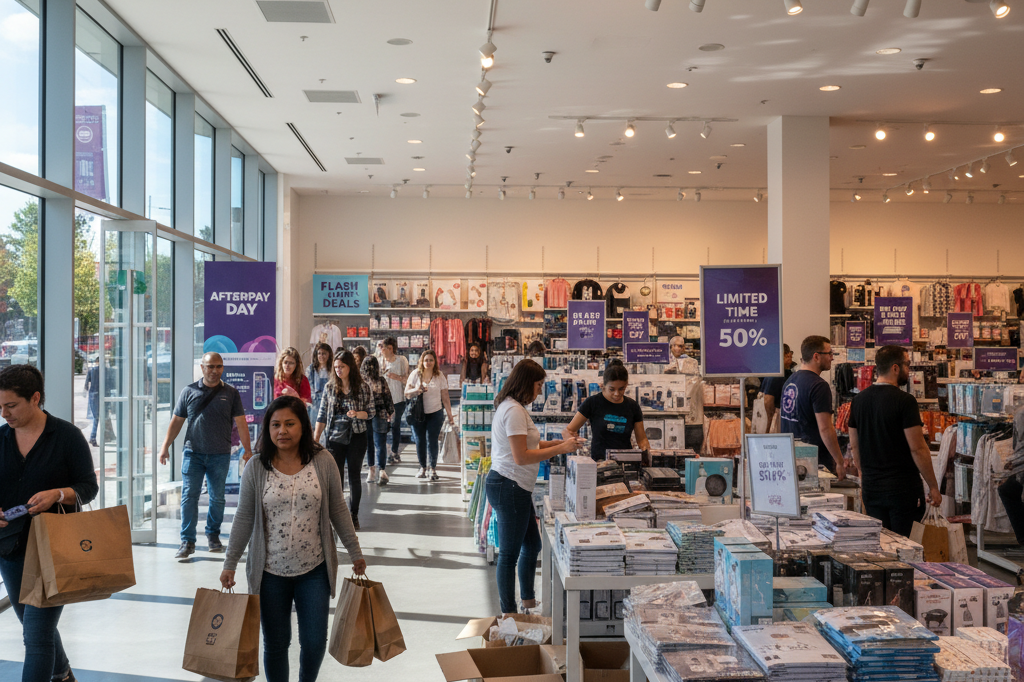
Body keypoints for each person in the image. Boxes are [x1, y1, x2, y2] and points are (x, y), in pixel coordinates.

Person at [220, 396, 365, 682]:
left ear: (303, 426)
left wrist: (355, 551)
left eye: (289, 424)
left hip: (315, 569)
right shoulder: (256, 467)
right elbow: (244, 518)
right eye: (275, 425)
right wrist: (230, 563)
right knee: (276, 643)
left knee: (314, 642)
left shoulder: (322, 461)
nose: (282, 431)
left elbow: (337, 508)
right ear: (267, 429)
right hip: (269, 572)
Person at [0, 365, 99, 682]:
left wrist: (59, 493)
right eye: (0, 406)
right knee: (30, 624)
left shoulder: (67, 437)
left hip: (55, 551)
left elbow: (88, 486)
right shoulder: (1, 438)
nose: (4, 413)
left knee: (37, 637)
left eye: (11, 405)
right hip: (11, 549)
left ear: (35, 398)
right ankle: (63, 673)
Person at [485, 359, 582, 614]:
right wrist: (562, 448)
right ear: (527, 383)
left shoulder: (515, 407)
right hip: (510, 486)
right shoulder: (514, 411)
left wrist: (561, 443)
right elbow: (522, 457)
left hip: (514, 486)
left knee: (532, 545)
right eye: (539, 385)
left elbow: (531, 447)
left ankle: (528, 602)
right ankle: (509, 612)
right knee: (508, 554)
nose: (540, 391)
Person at [159, 352, 252, 559]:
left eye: (218, 366)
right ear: (202, 368)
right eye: (210, 366)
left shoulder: (231, 393)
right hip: (193, 454)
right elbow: (176, 421)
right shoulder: (189, 391)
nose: (215, 370)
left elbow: (241, 423)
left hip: (219, 454)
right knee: (189, 496)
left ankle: (213, 535)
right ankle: (187, 541)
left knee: (217, 498)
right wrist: (165, 446)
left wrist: (248, 450)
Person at [848, 345, 941, 536]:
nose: (909, 370)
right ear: (895, 368)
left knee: (880, 546)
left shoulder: (859, 400)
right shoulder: (904, 401)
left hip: (872, 489)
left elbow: (854, 446)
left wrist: (864, 475)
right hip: (902, 490)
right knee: (905, 546)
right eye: (907, 365)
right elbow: (918, 449)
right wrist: (932, 485)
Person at [314, 351, 375, 529]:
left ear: (350, 367)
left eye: (342, 367)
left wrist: (357, 414)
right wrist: (316, 438)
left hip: (357, 435)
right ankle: (338, 516)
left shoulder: (363, 387)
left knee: (354, 475)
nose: (339, 370)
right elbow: (322, 414)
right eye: (336, 367)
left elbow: (371, 412)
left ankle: (353, 514)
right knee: (336, 478)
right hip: (334, 437)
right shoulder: (330, 387)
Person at [780, 336, 845, 479]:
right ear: (816, 356)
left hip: (792, 457)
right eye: (829, 353)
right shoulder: (819, 385)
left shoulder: (791, 380)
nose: (832, 358)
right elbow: (825, 428)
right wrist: (840, 462)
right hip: (815, 464)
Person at [563, 359, 649, 460]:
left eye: (621, 389)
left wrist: (648, 456)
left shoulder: (633, 406)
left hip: (626, 464)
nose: (617, 393)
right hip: (599, 464)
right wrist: (572, 442)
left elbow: (642, 439)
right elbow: (568, 430)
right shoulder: (592, 403)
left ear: (626, 385)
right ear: (603, 385)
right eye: (612, 389)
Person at [404, 349, 454, 481]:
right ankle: (422, 468)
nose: (429, 362)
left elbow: (445, 396)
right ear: (422, 361)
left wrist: (450, 415)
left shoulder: (439, 376)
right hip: (417, 413)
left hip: (435, 412)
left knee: (432, 440)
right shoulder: (415, 374)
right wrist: (417, 390)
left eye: (431, 360)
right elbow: (407, 393)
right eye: (426, 360)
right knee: (420, 441)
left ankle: (432, 468)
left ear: (435, 362)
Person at [361, 356, 395, 486]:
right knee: (380, 443)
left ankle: (371, 470)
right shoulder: (380, 380)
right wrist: (390, 412)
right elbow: (387, 396)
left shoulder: (360, 381)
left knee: (369, 444)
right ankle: (382, 470)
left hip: (365, 415)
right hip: (380, 413)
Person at [381, 337, 409, 465]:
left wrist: (396, 377)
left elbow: (407, 379)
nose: (382, 350)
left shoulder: (401, 360)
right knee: (384, 426)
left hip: (398, 399)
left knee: (395, 425)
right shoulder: (380, 361)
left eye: (384, 348)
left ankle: (394, 451)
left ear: (391, 349)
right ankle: (385, 452)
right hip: (383, 400)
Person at [760, 343, 794, 427]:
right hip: (776, 418)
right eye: (788, 355)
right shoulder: (777, 375)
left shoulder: (778, 372)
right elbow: (768, 400)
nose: (790, 358)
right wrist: (769, 421)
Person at [305, 342, 333, 426]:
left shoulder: (333, 369)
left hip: (329, 403)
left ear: (329, 355)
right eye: (319, 353)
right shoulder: (311, 369)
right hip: (314, 405)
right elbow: (308, 387)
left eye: (324, 353)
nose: (321, 356)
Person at [84, 358, 101, 446]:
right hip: (101, 395)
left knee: (96, 417)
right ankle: (93, 437)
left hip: (93, 395)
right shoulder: (105, 371)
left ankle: (93, 437)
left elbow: (86, 385)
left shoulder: (92, 371)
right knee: (99, 417)